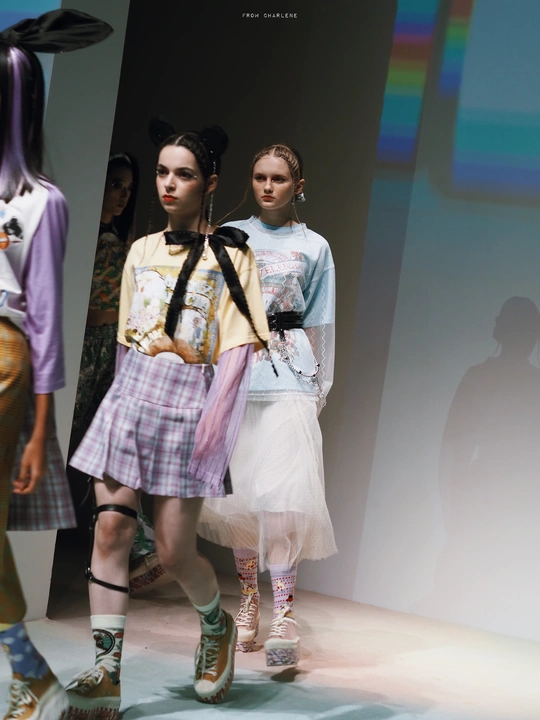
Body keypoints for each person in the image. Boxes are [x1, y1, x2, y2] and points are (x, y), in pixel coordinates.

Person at [66, 123, 270, 715]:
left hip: (189, 405)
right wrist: (114, 400)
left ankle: (215, 626)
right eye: (162, 172)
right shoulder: (141, 250)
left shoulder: (234, 256)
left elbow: (237, 349)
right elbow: (127, 339)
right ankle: (106, 673)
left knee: (175, 552)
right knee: (110, 531)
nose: (168, 184)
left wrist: (215, 427)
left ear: (209, 183)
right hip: (132, 396)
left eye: (183, 174)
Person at [0, 9, 112, 720]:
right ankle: (28, 671)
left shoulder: (42, 202)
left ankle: (28, 670)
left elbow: (43, 313)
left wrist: (43, 428)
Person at [198, 143, 337, 666]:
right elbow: (211, 310)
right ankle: (249, 602)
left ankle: (284, 614)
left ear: (297, 186)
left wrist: (319, 385)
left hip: (291, 377)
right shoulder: (230, 236)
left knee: (281, 501)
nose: (267, 187)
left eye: (278, 179)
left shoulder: (314, 246)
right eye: (259, 177)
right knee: (241, 501)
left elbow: (320, 319)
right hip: (238, 375)